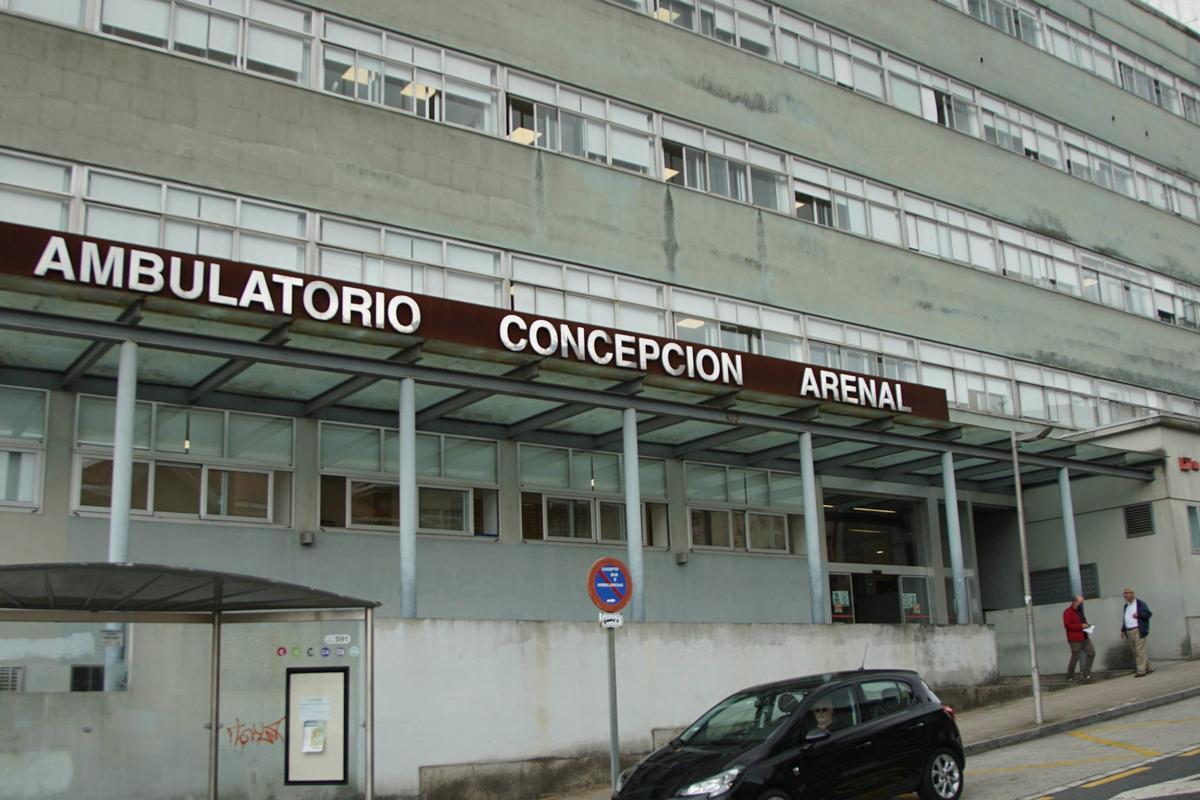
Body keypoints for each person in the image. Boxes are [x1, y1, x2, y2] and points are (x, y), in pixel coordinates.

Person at [1119, 587, 1153, 677]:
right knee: (1135, 651)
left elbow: (1148, 614)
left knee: (1139, 651)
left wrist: (1139, 614)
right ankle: (1147, 668)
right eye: (1125, 593)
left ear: (1133, 594)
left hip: (1138, 629)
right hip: (1129, 630)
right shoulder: (1126, 606)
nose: (1126, 595)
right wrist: (1123, 630)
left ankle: (1141, 671)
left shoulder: (1140, 604)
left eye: (1127, 593)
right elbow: (1125, 618)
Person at [1062, 595, 1094, 682]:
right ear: (1075, 602)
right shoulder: (1068, 612)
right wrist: (1080, 626)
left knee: (1091, 653)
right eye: (1080, 602)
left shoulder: (1080, 611)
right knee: (1075, 657)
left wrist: (1087, 625)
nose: (1082, 604)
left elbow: (1083, 621)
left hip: (1084, 637)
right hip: (1075, 639)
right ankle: (1070, 676)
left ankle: (1086, 673)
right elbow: (1068, 626)